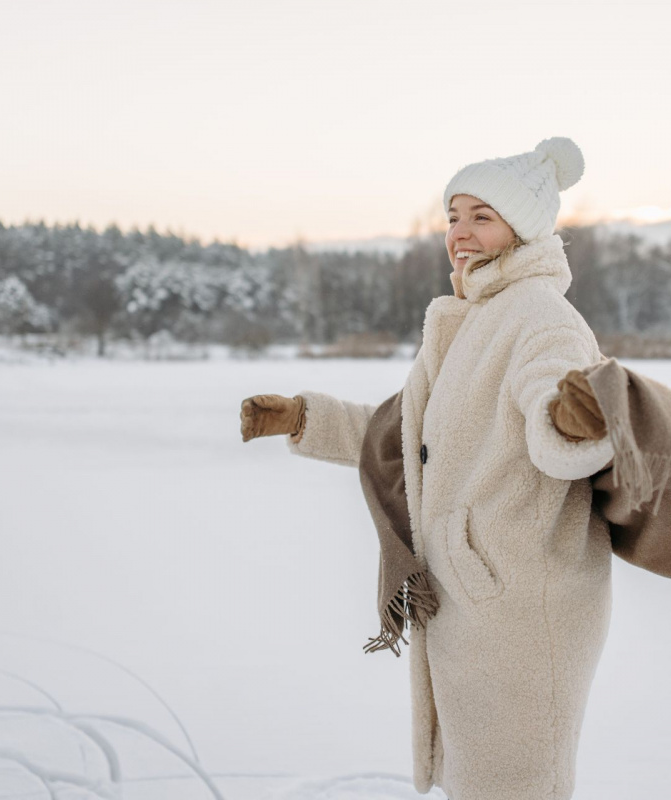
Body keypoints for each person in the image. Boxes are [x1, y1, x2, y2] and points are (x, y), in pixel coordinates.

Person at [241, 137, 614, 800]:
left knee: (517, 786)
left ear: (521, 229)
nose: (460, 233)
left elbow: (561, 415)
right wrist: (304, 418)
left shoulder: (539, 318)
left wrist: (571, 418)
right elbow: (409, 438)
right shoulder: (472, 320)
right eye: (452, 216)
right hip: (473, 601)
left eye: (481, 216)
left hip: (523, 607)